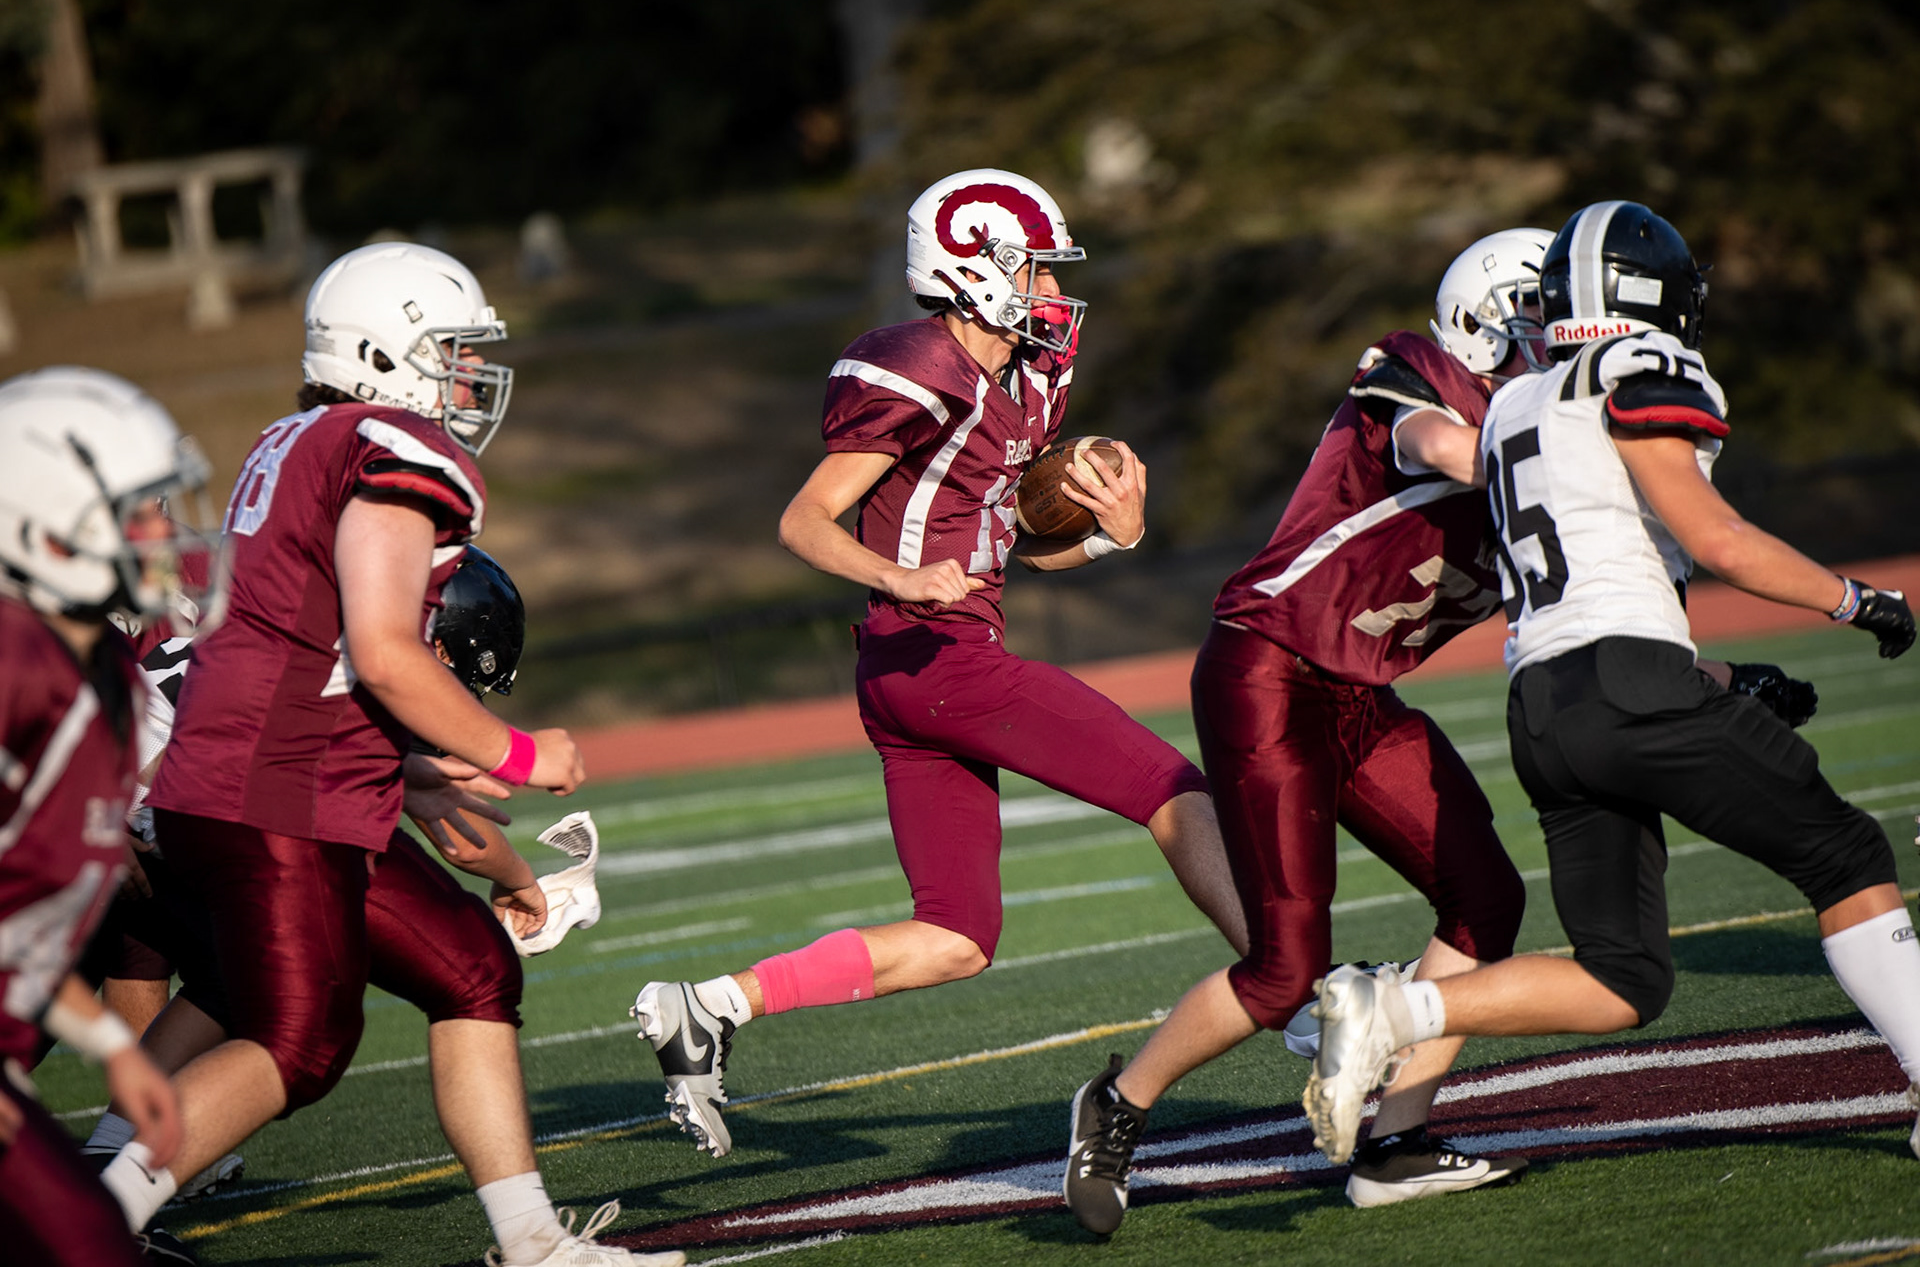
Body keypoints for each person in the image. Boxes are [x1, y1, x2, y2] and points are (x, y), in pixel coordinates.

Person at [630, 168, 1249, 1160]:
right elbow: (804, 521)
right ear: (974, 268)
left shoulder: (1013, 382)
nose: (1048, 288)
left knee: (957, 937)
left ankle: (709, 1005)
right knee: (1177, 790)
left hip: (909, 669)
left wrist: (1108, 540)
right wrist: (898, 574)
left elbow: (1002, 549)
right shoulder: (921, 365)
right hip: (942, 661)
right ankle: (1285, 988)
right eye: (1032, 267)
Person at [93, 243, 685, 1267]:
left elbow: (310, 650)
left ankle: (533, 1240)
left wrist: (410, 769)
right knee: (301, 1042)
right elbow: (382, 649)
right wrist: (517, 750)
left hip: (303, 780)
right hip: (275, 789)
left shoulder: (299, 436)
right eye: (449, 351)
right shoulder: (391, 443)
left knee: (471, 967)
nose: (466, 376)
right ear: (384, 350)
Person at [1305, 200, 1920, 1170]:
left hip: (1545, 710)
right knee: (1848, 852)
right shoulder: (1643, 367)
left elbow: (1602, 565)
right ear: (1650, 295)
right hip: (1630, 684)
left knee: (1624, 974)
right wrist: (1855, 599)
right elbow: (1715, 538)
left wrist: (1721, 676)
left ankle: (1401, 1003)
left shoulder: (1511, 404)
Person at [1062, 229, 1555, 1233]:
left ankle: (1396, 1142)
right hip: (1269, 669)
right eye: (1550, 317)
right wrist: (1560, 452)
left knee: (1486, 896)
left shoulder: (1544, 444)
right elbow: (1441, 448)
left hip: (1357, 691)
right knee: (1286, 966)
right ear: (1493, 321)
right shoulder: (1423, 378)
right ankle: (1118, 1103)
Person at [0, 367, 203, 1265]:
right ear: (48, 528)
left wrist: (116, 1052)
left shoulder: (108, 674)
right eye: (137, 511)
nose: (164, 533)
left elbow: (31, 936)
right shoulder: (17, 670)